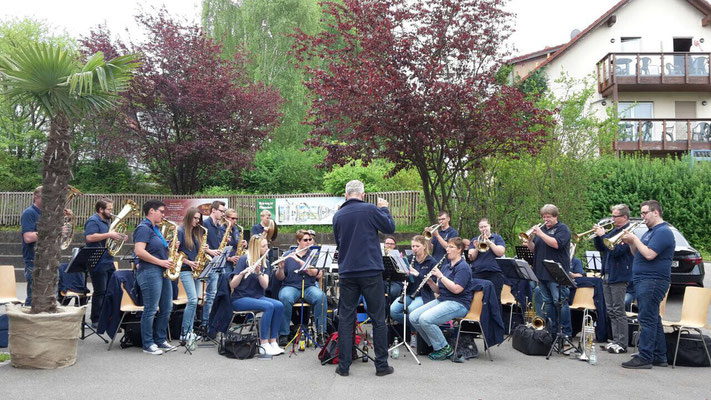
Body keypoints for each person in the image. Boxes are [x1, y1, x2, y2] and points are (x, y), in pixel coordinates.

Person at [332, 179, 395, 377]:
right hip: (370, 270)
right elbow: (389, 228)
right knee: (378, 318)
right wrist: (384, 209)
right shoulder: (370, 209)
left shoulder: (338, 215)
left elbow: (339, 243)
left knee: (346, 318)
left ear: (345, 195)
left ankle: (343, 367)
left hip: (348, 272)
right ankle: (381, 366)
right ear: (363, 194)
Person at [620, 200, 674, 369]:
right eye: (642, 213)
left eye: (645, 213)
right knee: (653, 318)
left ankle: (645, 356)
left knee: (646, 319)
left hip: (653, 280)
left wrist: (635, 238)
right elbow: (639, 253)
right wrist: (631, 243)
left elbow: (650, 255)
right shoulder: (651, 232)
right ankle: (659, 356)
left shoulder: (663, 231)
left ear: (655, 212)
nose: (642, 217)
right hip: (645, 279)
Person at [409, 237, 474, 361]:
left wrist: (441, 276)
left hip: (458, 303)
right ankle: (435, 346)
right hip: (443, 299)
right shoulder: (446, 265)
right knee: (413, 317)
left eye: (451, 247)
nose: (447, 250)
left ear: (459, 249)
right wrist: (430, 283)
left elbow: (456, 289)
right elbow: (439, 290)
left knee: (425, 319)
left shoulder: (463, 267)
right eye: (447, 247)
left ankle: (444, 348)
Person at [133, 199, 176, 355]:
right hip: (150, 271)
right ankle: (148, 344)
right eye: (161, 211)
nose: (163, 215)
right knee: (151, 309)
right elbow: (139, 251)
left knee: (167, 307)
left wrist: (170, 246)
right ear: (152, 211)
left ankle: (161, 339)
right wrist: (161, 262)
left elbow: (156, 249)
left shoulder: (155, 229)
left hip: (161, 270)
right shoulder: (144, 228)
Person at [230, 236, 285, 356]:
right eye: (263, 246)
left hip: (257, 297)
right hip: (240, 298)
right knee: (269, 306)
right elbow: (232, 284)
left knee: (279, 305)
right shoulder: (244, 260)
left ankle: (273, 341)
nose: (267, 248)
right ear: (256, 247)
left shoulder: (265, 263)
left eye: (267, 245)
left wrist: (258, 272)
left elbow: (265, 286)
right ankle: (263, 343)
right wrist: (241, 273)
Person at [525, 204, 573, 338]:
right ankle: (552, 332)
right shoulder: (542, 230)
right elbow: (535, 249)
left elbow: (556, 244)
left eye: (549, 217)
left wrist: (540, 234)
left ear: (555, 216)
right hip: (541, 271)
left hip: (556, 272)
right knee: (549, 303)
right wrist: (529, 241)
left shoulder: (562, 229)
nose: (546, 219)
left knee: (561, 302)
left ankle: (566, 333)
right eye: (544, 217)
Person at [21, 185, 72, 306]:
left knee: (51, 299)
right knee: (34, 300)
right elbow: (28, 237)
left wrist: (66, 221)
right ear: (36, 198)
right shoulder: (29, 213)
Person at [593, 204, 634, 355]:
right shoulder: (614, 231)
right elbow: (602, 248)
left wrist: (603, 235)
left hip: (619, 275)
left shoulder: (627, 232)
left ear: (624, 217)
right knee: (610, 310)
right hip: (608, 274)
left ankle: (622, 343)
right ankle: (615, 340)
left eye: (615, 216)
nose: (612, 219)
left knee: (618, 309)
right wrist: (599, 237)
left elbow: (617, 251)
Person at [276, 230, 326, 346]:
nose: (309, 242)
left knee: (321, 297)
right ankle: (284, 334)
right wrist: (280, 269)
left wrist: (298, 261)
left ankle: (321, 334)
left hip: (309, 286)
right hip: (291, 286)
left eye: (310, 240)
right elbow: (280, 277)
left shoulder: (313, 255)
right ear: (298, 241)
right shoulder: (287, 255)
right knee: (284, 297)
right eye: (305, 240)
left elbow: (315, 273)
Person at [85, 198, 125, 328]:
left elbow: (109, 237)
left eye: (112, 209)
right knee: (100, 291)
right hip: (97, 261)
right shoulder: (93, 221)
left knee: (111, 290)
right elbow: (89, 237)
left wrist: (120, 237)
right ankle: (96, 319)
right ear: (101, 209)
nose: (111, 212)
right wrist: (109, 235)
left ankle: (107, 317)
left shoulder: (107, 221)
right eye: (109, 209)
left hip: (107, 259)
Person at [390, 235, 437, 326]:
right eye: (413, 246)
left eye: (417, 246)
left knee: (412, 309)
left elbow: (432, 283)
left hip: (423, 294)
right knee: (393, 310)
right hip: (409, 292)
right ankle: (415, 327)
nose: (414, 249)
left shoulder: (431, 262)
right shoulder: (410, 259)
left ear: (424, 246)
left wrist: (418, 274)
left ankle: (414, 333)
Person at [176, 207, 205, 345]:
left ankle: (190, 330)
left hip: (196, 270)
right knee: (192, 300)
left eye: (198, 218)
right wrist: (188, 262)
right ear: (188, 217)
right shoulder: (180, 231)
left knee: (195, 301)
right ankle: (184, 332)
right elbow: (173, 252)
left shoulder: (195, 232)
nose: (197, 221)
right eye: (195, 218)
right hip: (185, 269)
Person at [468, 218, 506, 304]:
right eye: (481, 227)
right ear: (479, 228)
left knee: (495, 300)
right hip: (478, 273)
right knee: (477, 300)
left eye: (485, 226)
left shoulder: (497, 238)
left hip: (494, 273)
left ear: (490, 226)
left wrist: (489, 242)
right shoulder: (475, 240)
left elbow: (500, 252)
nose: (483, 229)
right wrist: (477, 247)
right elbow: (471, 257)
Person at [201, 200, 227, 327]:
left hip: (220, 263)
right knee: (211, 295)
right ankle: (207, 324)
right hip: (210, 263)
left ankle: (217, 323)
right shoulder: (205, 224)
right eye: (221, 211)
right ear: (213, 210)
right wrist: (210, 251)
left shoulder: (219, 227)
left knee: (221, 294)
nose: (223, 214)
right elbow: (201, 245)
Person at [224, 208, 247, 276]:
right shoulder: (221, 229)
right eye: (233, 218)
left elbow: (238, 243)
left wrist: (244, 244)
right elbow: (219, 248)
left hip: (236, 261)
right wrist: (230, 258)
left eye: (236, 219)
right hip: (226, 263)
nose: (235, 221)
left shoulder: (236, 229)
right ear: (226, 218)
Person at [382, 235, 403, 303]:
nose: (389, 245)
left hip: (395, 282)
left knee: (393, 291)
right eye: (387, 243)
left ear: (395, 245)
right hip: (382, 281)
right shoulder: (380, 255)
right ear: (384, 244)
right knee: (375, 291)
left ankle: (390, 308)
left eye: (391, 244)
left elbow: (401, 271)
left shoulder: (399, 256)